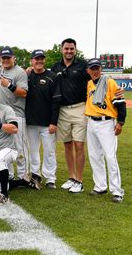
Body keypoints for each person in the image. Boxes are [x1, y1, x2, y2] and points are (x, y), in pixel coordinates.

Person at [50, 38, 90, 193]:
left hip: (80, 108)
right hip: (62, 110)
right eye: (66, 49)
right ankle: (72, 177)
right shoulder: (56, 66)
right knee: (67, 144)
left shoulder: (83, 65)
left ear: (75, 49)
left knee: (79, 144)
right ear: (62, 49)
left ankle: (79, 180)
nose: (69, 51)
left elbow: (96, 79)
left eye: (71, 49)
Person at [84, 59, 126, 203]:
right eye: (92, 68)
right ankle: (100, 186)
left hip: (107, 122)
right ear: (88, 71)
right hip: (91, 122)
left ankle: (117, 191)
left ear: (101, 69)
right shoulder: (89, 83)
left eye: (97, 68)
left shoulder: (110, 82)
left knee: (110, 156)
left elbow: (121, 103)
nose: (94, 71)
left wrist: (120, 122)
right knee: (95, 156)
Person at [25, 50, 61, 189]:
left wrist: (54, 122)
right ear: (31, 61)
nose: (39, 61)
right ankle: (35, 174)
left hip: (47, 123)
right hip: (31, 122)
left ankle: (50, 177)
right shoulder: (26, 76)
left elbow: (56, 101)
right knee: (33, 150)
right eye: (36, 59)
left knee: (49, 150)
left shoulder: (52, 76)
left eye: (41, 59)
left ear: (44, 60)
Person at [0, 46, 29, 180]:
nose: (5, 60)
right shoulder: (2, 69)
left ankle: (23, 176)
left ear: (13, 58)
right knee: (6, 147)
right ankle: (10, 175)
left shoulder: (20, 72)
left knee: (20, 147)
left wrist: (9, 85)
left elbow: (24, 93)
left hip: (17, 114)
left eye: (8, 58)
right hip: (4, 114)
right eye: (3, 58)